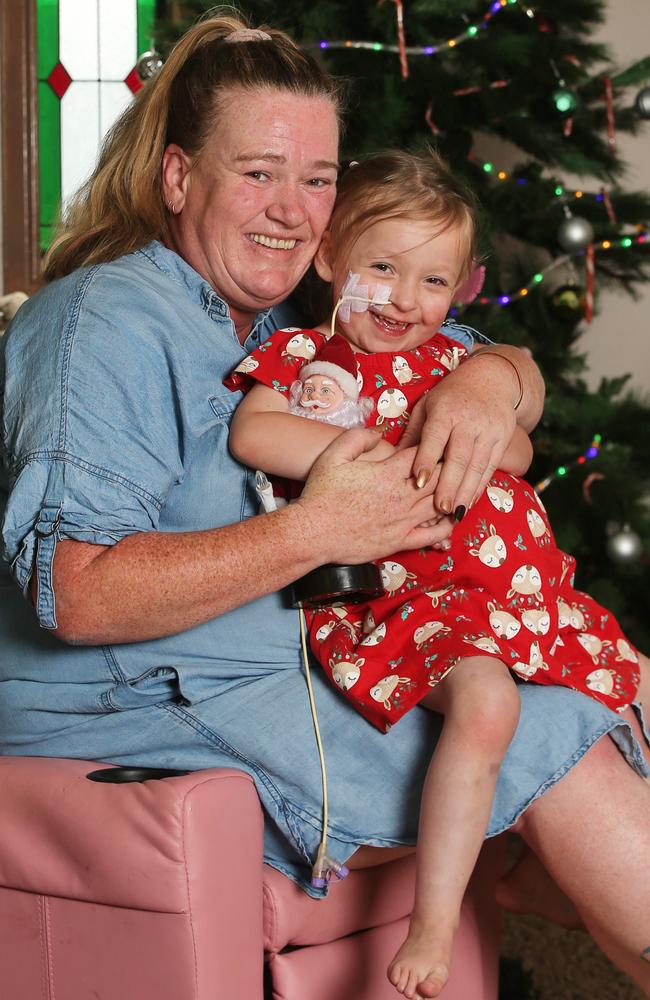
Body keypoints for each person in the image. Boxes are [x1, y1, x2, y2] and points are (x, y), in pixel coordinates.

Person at [0, 11, 649, 999]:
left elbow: (466, 356)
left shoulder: (279, 310)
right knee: (552, 729)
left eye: (316, 178)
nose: (292, 209)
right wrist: (313, 528)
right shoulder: (104, 326)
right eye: (259, 171)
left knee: (606, 683)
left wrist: (490, 382)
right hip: (139, 715)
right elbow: (76, 593)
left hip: (287, 681)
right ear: (178, 178)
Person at [225, 150, 646, 998]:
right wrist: (384, 459)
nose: (403, 300)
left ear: (461, 289)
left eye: (432, 281)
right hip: (413, 601)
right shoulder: (318, 364)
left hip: (519, 594)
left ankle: (535, 879)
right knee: (487, 706)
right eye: (382, 268)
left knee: (638, 679)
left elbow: (519, 450)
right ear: (331, 260)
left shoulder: (453, 362)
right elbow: (254, 435)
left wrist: (485, 413)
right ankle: (435, 922)